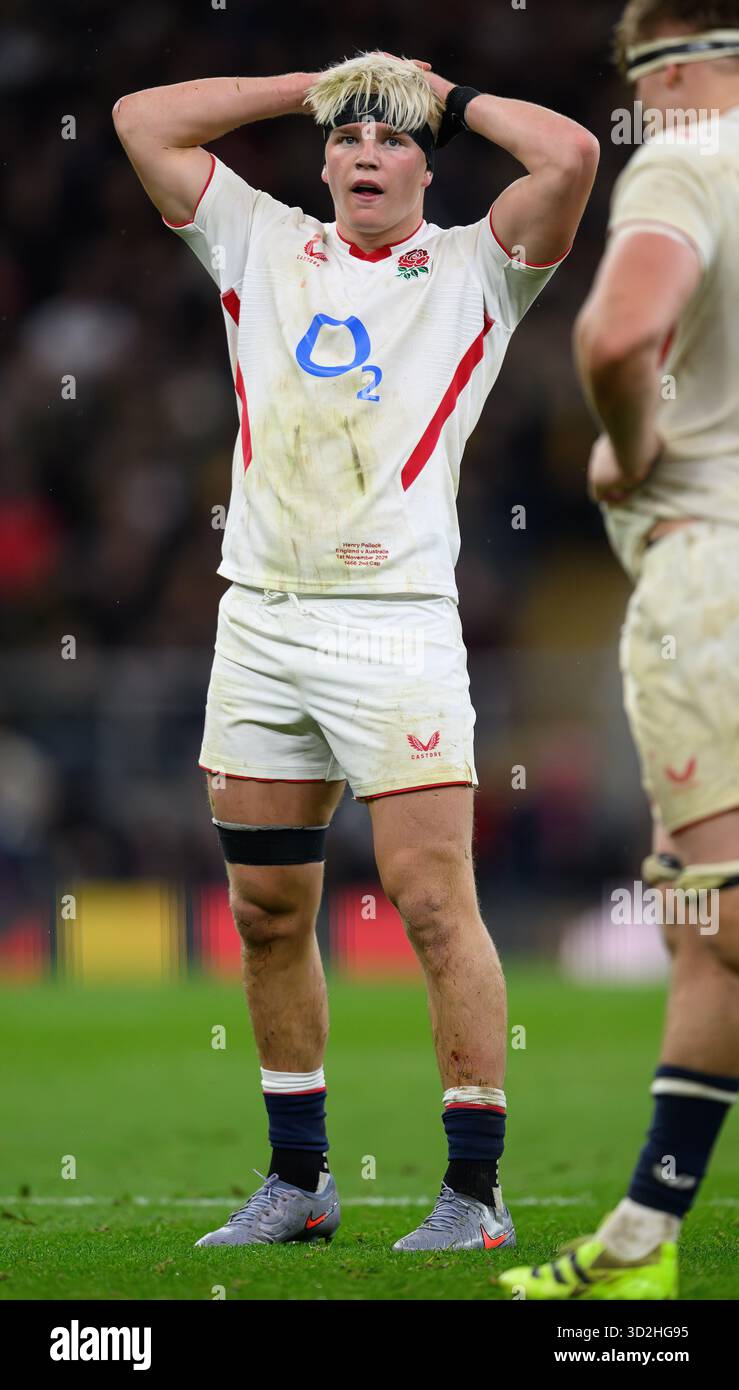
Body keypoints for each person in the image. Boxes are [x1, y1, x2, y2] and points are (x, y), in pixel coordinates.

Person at [113, 51, 598, 1251]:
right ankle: (300, 1182)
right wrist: (313, 84)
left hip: (393, 625)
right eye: (346, 139)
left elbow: (574, 155)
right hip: (261, 617)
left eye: (389, 140)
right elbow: (139, 118)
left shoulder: (479, 269)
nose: (364, 156)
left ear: (427, 164)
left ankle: (474, 1195)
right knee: (268, 908)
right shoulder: (260, 244)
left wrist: (452, 90)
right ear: (323, 160)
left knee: (432, 901)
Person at [501, 1, 739, 1300]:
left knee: (722, 913)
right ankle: (642, 1242)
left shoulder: (686, 156)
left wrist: (625, 446)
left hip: (713, 571)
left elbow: (608, 337)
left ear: (669, 63)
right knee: (701, 933)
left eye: (634, 84)